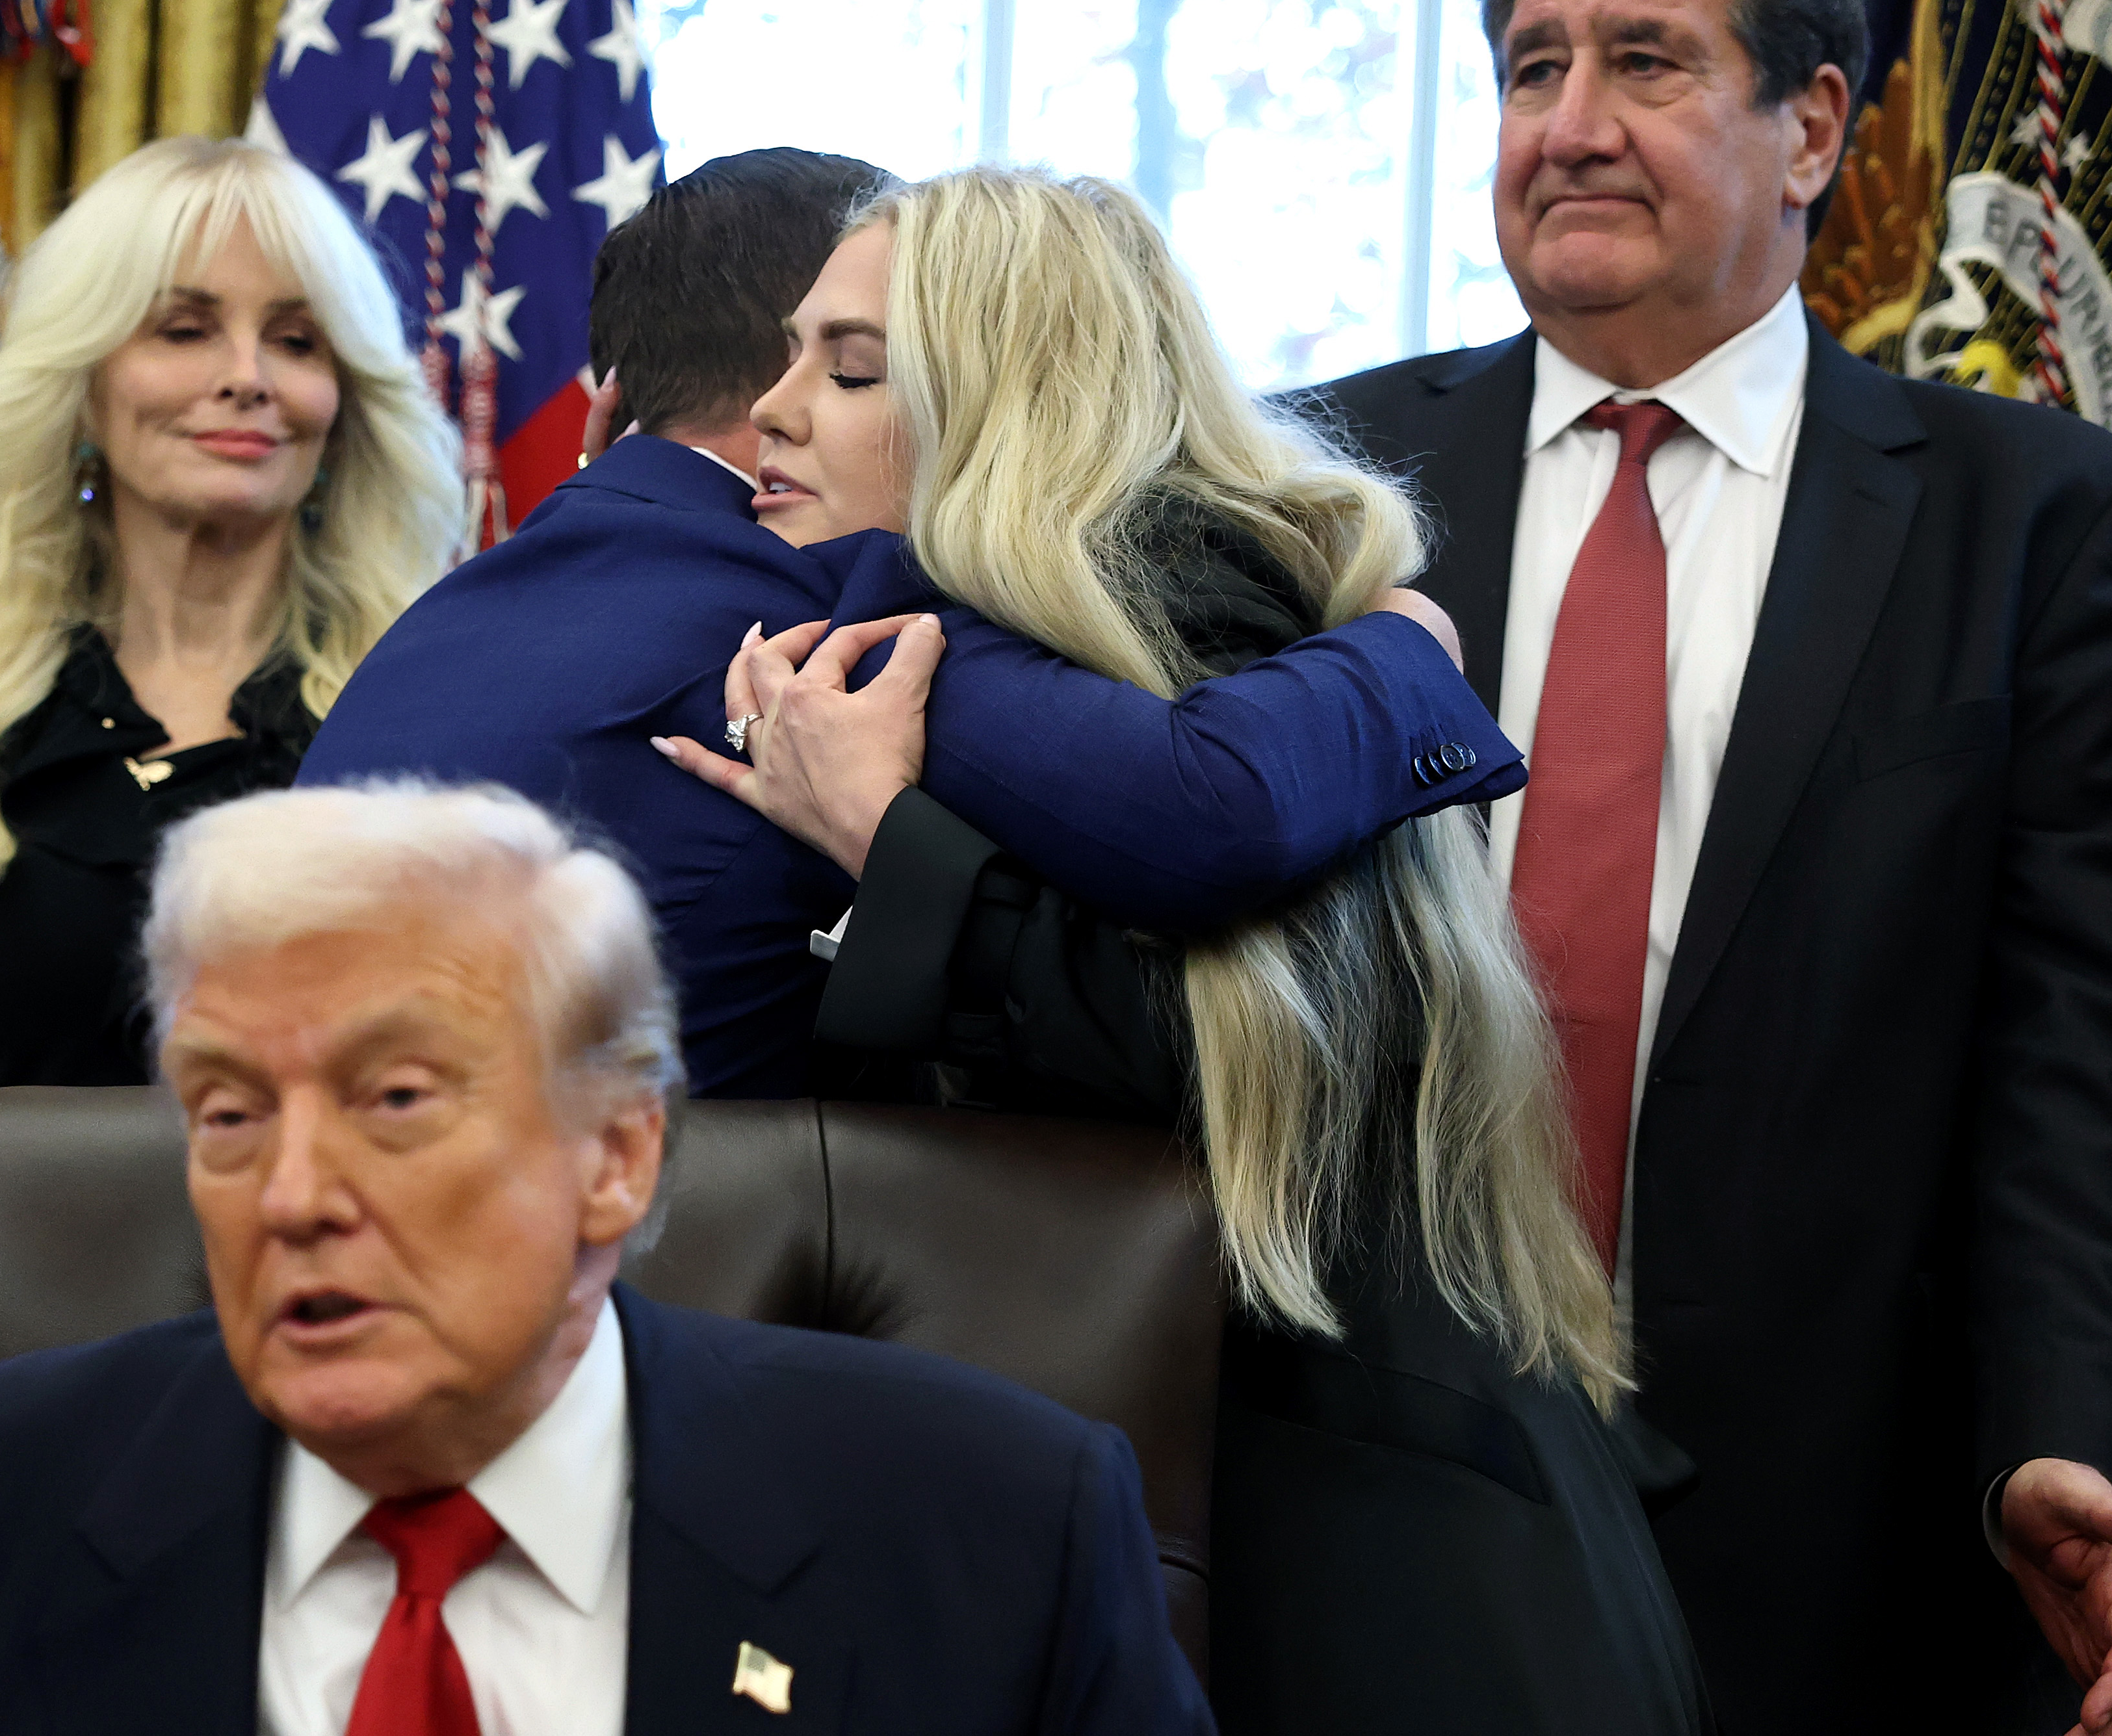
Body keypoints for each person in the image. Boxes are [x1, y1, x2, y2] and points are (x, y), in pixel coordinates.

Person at [664, 165, 1710, 1734]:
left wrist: (894, 838)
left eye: (851, 364)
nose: (774, 410)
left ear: (1003, 399)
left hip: (1380, 1548)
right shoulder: (1114, 644)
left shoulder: (1193, 626)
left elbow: (1228, 1040)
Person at [1296, 0, 2112, 1725]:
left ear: (1808, 131)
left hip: (1829, 1537)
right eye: (1528, 68)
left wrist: (2056, 1439)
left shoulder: (2045, 529)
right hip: (1349, 1488)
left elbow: (2076, 1072)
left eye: (1641, 61)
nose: (1565, 124)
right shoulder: (1308, 486)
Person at [0, 781, 1214, 1736]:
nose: (295, 1195)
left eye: (397, 1101)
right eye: (227, 1112)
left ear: (619, 1153)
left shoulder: (994, 1544)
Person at [298, 149, 1519, 1098]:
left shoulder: (427, 629)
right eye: (804, 362)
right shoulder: (837, 615)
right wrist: (1408, 642)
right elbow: (1215, 819)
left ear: (602, 409)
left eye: (850, 365)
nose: (786, 408)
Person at [0, 136, 463, 1666]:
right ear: (81, 376)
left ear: (347, 400)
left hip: (364, 1462)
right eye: (183, 326)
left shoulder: (439, 723)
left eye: (295, 338)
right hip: (18, 1446)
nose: (247, 378)